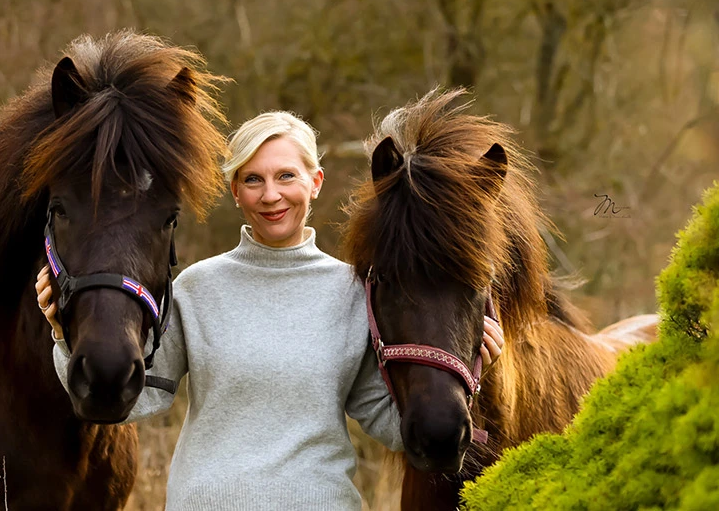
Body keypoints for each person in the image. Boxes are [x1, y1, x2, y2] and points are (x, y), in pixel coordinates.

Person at [36, 111, 504, 511]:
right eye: (253, 179)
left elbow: (394, 425)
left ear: (315, 182)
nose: (271, 195)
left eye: (286, 176)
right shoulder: (197, 287)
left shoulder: (351, 293)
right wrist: (64, 335)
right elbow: (137, 400)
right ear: (235, 191)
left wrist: (470, 372)